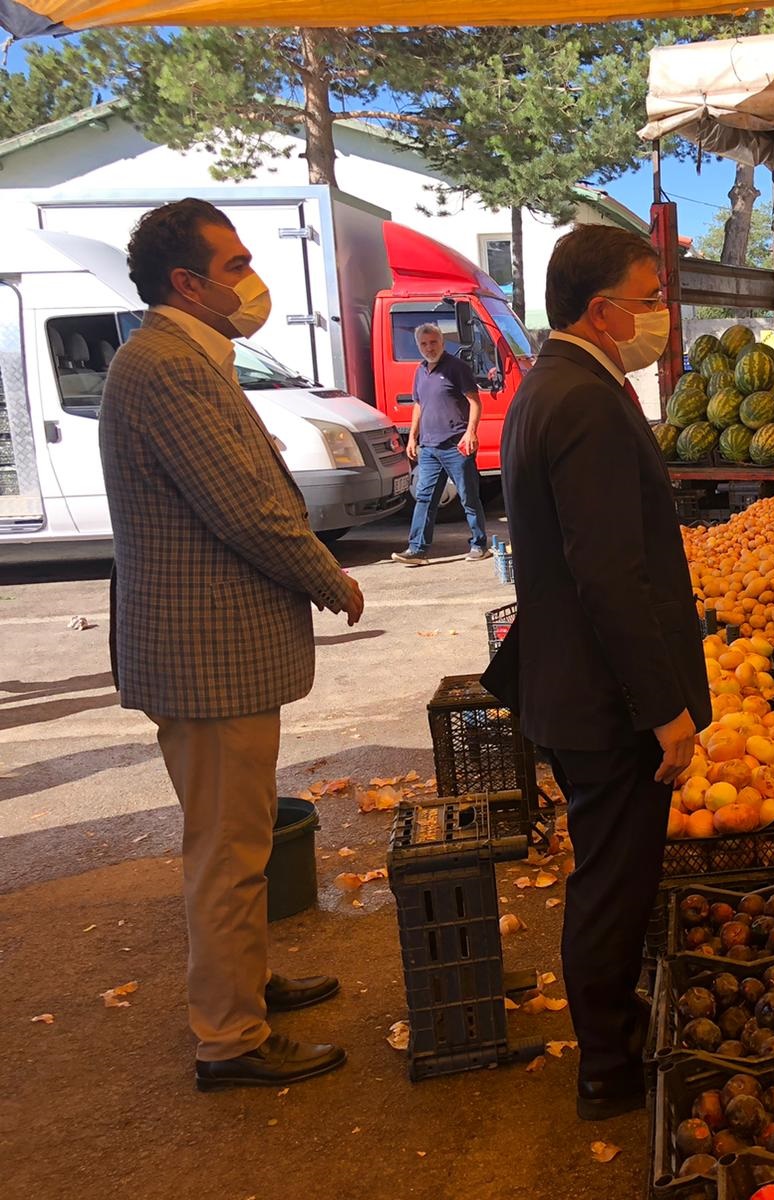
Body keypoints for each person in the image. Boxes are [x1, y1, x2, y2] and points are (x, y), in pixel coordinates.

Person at [100, 198, 364, 1090]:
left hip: (214, 652)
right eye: (236, 265)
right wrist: (332, 580)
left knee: (239, 838)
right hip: (203, 655)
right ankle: (230, 1037)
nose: (253, 282)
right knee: (225, 848)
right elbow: (246, 506)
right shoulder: (168, 368)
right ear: (186, 284)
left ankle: (243, 986)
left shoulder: (185, 358)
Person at [500, 224, 710, 1120]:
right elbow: (607, 574)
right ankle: (609, 1070)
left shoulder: (554, 386)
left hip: (579, 682)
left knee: (610, 873)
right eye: (651, 298)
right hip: (603, 696)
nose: (660, 314)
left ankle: (611, 1041)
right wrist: (662, 707)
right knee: (612, 882)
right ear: (602, 310)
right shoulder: (582, 399)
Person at [391, 322, 491, 565]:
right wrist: (413, 437)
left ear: (442, 342)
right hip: (429, 447)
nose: (429, 348)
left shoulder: (457, 368)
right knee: (425, 498)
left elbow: (475, 402)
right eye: (424, 344)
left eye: (433, 342)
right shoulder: (420, 371)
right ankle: (417, 550)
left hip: (456, 445)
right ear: (418, 346)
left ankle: (479, 545)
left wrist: (471, 433)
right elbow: (418, 405)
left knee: (468, 497)